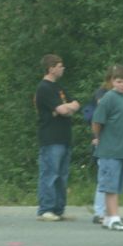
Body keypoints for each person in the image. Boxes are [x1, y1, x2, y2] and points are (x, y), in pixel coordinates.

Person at [91, 65, 123, 231]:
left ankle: (109, 217)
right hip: (111, 150)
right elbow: (97, 121)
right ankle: (113, 217)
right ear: (112, 81)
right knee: (110, 185)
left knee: (118, 185)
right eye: (118, 81)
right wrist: (98, 137)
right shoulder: (109, 98)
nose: (122, 85)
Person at [35, 54, 80, 222]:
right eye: (60, 66)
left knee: (62, 175)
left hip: (64, 137)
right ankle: (46, 209)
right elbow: (62, 111)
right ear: (51, 68)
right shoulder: (44, 88)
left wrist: (65, 108)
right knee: (50, 174)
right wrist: (63, 109)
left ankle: (59, 209)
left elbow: (75, 104)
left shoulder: (59, 87)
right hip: (50, 138)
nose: (63, 68)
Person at [86, 70, 114, 225]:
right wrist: (96, 137)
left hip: (112, 141)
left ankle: (109, 212)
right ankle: (99, 212)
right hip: (102, 139)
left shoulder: (117, 96)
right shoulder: (102, 94)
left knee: (111, 177)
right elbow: (100, 116)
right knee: (104, 176)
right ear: (110, 79)